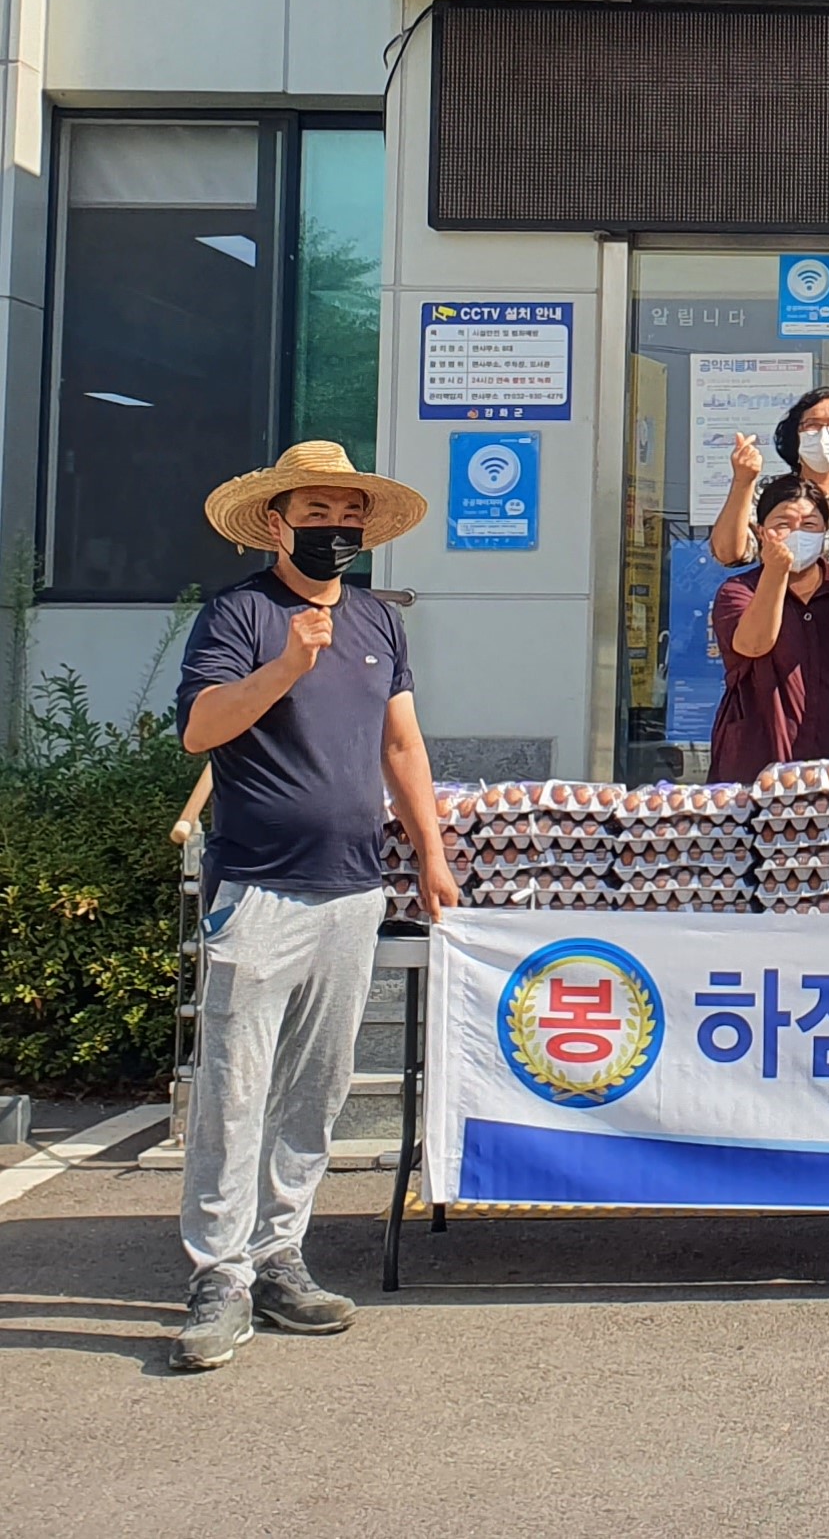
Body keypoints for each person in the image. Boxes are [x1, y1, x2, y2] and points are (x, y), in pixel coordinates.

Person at [169, 441, 453, 1374]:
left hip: (353, 888)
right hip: (258, 889)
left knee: (315, 1091)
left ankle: (279, 1255)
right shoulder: (240, 614)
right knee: (233, 1090)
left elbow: (401, 747)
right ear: (277, 522)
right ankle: (218, 1276)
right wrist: (286, 666)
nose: (335, 529)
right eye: (316, 514)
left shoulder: (377, 620)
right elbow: (200, 731)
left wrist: (431, 853)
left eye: (348, 515)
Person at [708, 478, 829, 781]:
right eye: (783, 524)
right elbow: (753, 644)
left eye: (809, 524)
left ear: (825, 532)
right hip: (755, 767)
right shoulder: (739, 592)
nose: (796, 534)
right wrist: (776, 573)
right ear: (761, 532)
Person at [709, 387, 829, 571]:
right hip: (778, 589)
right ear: (796, 435)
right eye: (812, 425)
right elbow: (727, 554)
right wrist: (743, 481)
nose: (824, 434)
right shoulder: (771, 490)